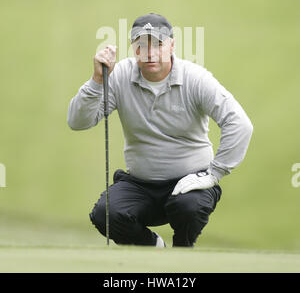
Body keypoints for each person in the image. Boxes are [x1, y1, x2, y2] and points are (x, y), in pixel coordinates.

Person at [67, 13, 253, 247]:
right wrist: (97, 80)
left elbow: (240, 123)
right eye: (141, 45)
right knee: (105, 214)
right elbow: (78, 121)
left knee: (188, 208)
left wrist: (213, 174)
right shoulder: (119, 76)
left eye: (158, 44)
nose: (150, 53)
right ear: (133, 49)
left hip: (190, 183)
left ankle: (182, 250)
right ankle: (153, 246)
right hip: (140, 183)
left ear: (172, 45)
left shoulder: (195, 78)